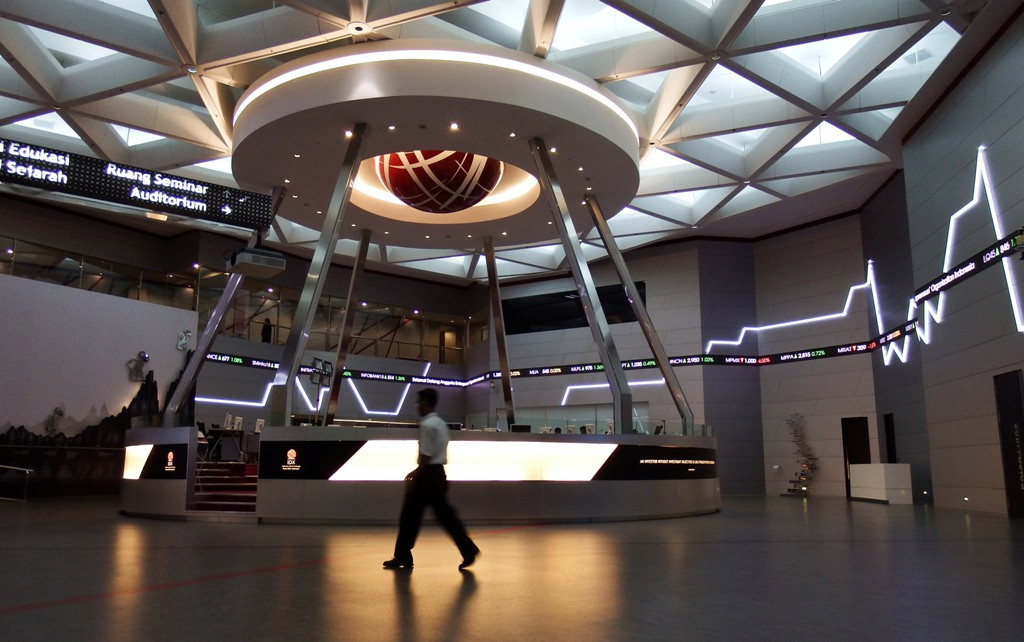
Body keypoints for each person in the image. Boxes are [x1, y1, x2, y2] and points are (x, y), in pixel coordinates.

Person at [383, 388, 480, 571]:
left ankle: (402, 555)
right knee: (446, 517)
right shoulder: (441, 424)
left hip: (426, 477)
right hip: (438, 475)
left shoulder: (427, 425)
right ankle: (468, 549)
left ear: (426, 403)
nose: (417, 406)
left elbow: (426, 456)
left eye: (419, 402)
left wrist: (415, 473)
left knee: (409, 516)